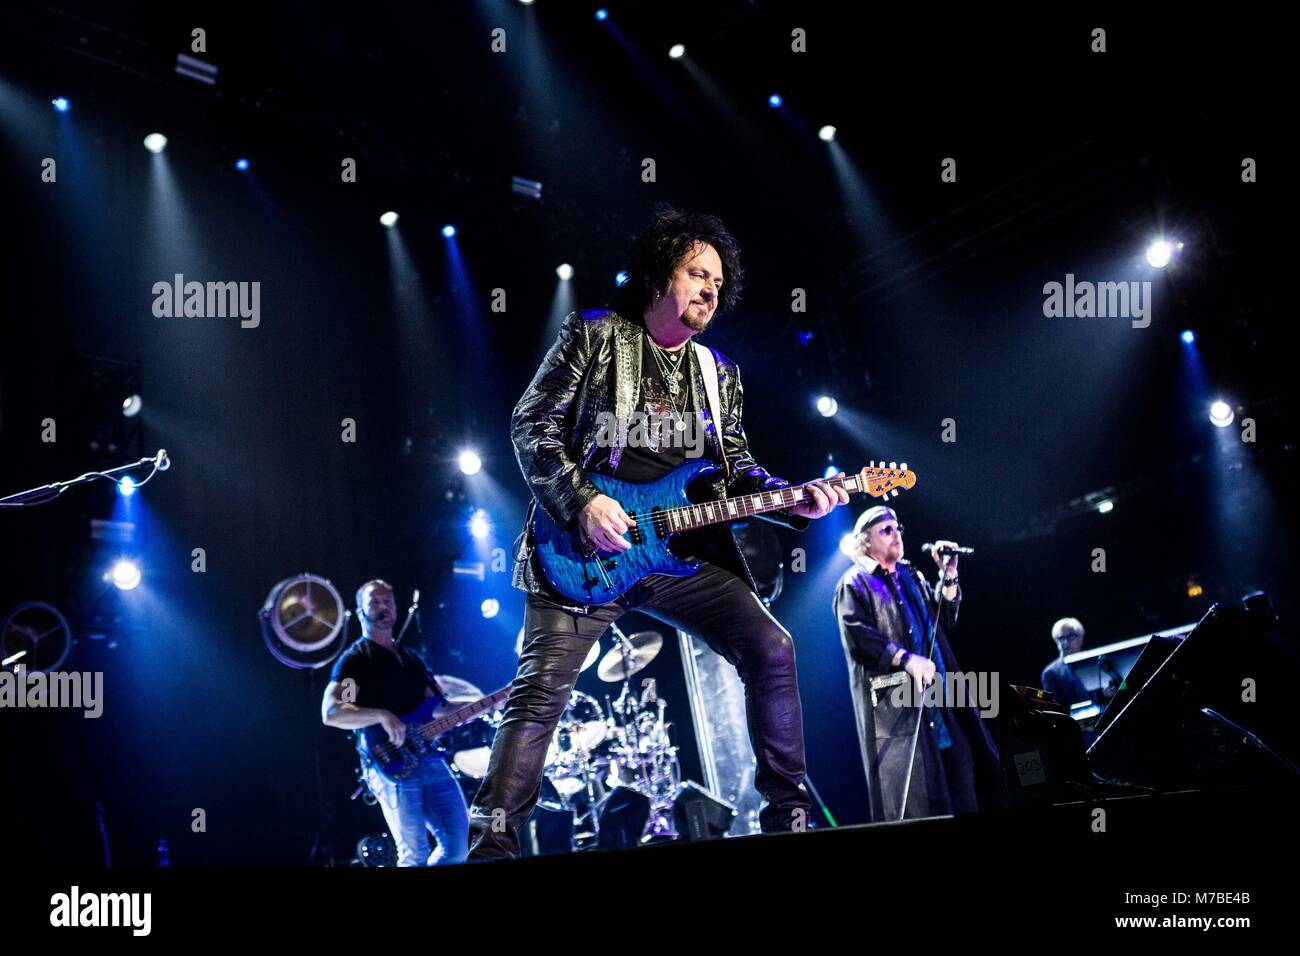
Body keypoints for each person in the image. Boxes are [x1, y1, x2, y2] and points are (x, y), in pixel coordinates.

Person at [468, 205, 849, 859]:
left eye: (719, 281)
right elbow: (532, 425)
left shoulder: (717, 373)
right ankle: (491, 849)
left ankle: (787, 818)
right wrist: (582, 501)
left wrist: (796, 504)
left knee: (772, 649)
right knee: (539, 694)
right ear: (657, 275)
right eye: (698, 272)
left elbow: (737, 471)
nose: (712, 288)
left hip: (675, 554)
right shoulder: (594, 336)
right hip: (582, 553)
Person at [834, 506, 999, 821]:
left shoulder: (910, 574)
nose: (896, 535)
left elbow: (946, 617)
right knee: (925, 805)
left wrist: (948, 574)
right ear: (864, 541)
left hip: (943, 710)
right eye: (886, 530)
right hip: (902, 718)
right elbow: (859, 637)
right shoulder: (855, 583)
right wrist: (906, 659)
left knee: (965, 789)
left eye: (898, 528)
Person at [322, 579, 469, 865]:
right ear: (360, 611)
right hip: (392, 764)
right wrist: (380, 714)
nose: (383, 606)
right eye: (374, 602)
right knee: (414, 854)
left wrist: (497, 700)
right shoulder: (356, 660)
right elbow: (332, 712)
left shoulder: (411, 659)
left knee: (459, 846)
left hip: (429, 759)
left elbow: (442, 709)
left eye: (388, 601)